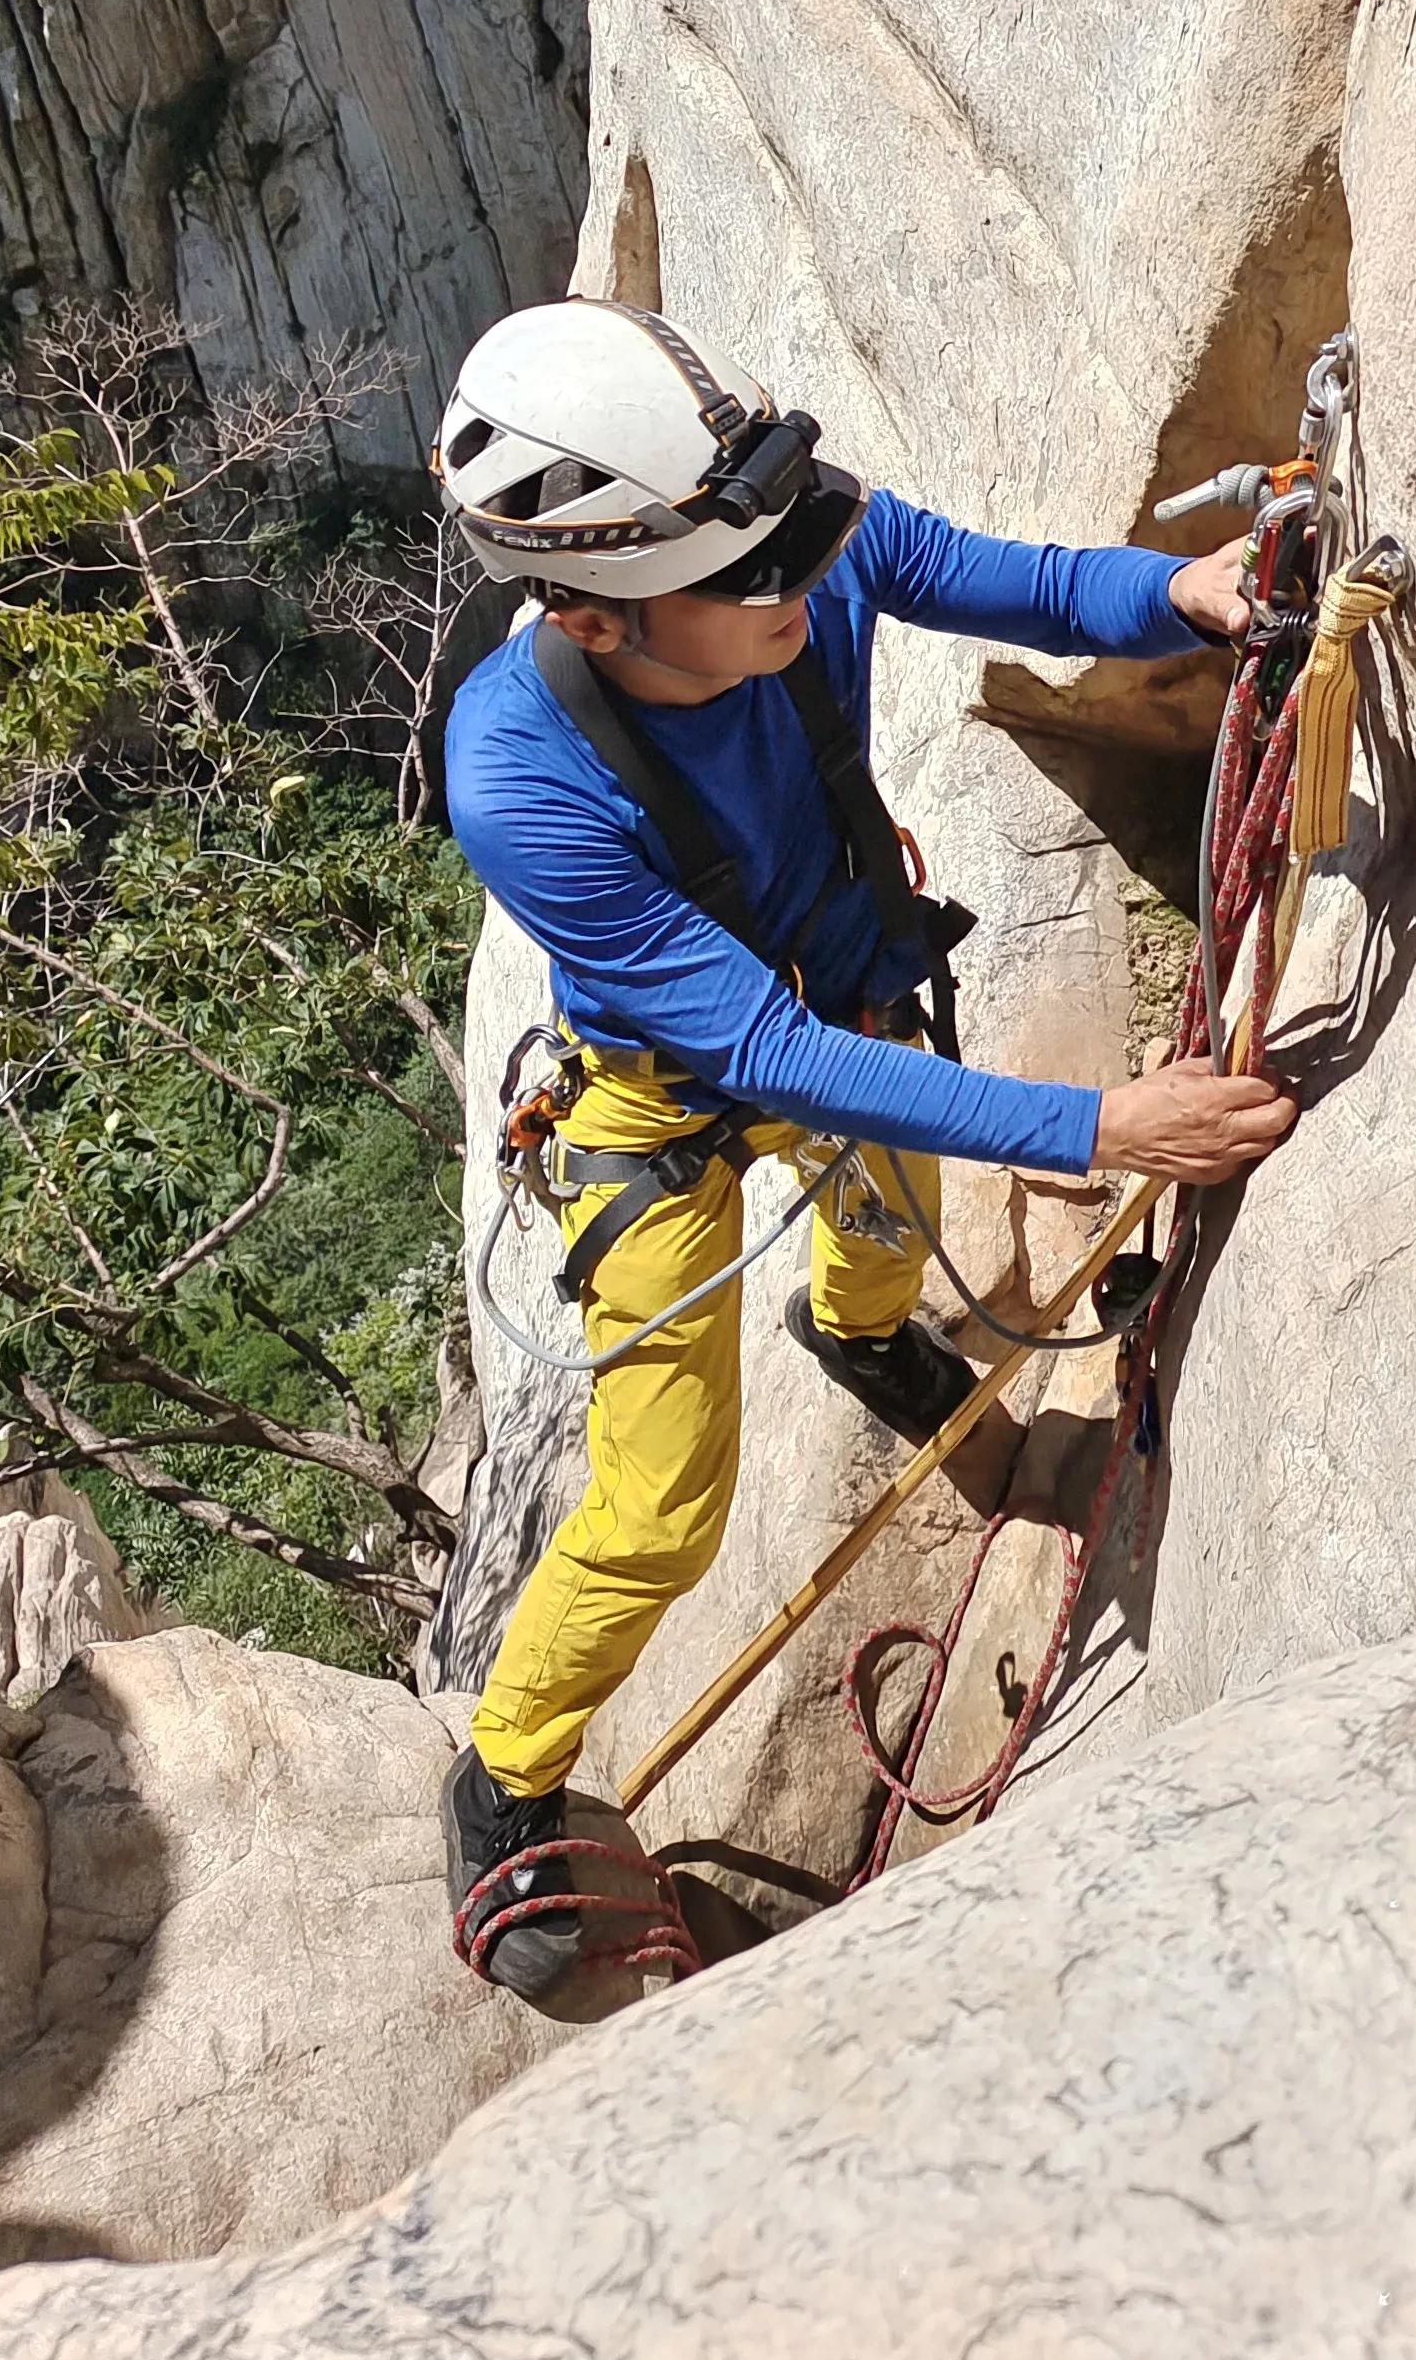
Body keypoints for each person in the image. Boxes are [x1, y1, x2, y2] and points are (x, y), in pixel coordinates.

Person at [428, 296, 1292, 1993]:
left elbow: (1012, 584)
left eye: (794, 536)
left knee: (887, 1222)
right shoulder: (519, 780)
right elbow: (760, 1056)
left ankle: (862, 1328)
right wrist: (1102, 1125)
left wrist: (1179, 593)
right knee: (663, 1508)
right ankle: (506, 1771)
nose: (802, 577)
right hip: (659, 1106)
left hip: (844, 986)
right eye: (748, 575)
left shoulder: (784, 545)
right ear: (594, 618)